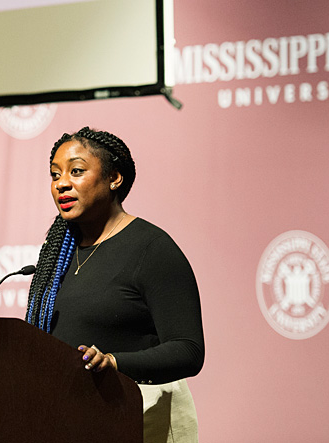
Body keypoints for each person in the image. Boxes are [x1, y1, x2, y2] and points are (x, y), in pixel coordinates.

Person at [26, 127, 204, 443]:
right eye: (55, 175)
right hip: (78, 423)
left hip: (143, 420)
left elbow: (188, 350)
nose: (62, 183)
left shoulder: (152, 248)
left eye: (76, 171)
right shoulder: (58, 256)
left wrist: (113, 362)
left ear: (114, 178)